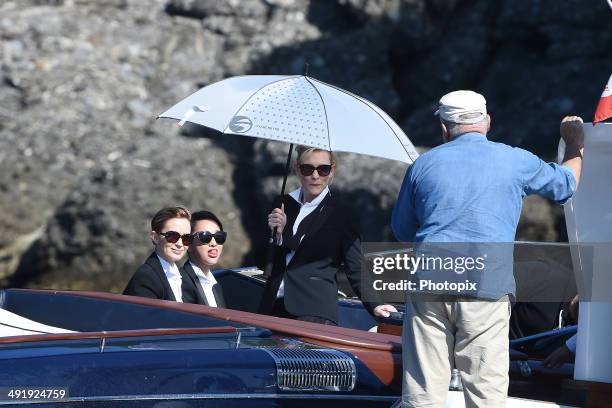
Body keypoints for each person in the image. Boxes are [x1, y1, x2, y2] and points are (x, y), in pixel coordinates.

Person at [391, 90, 584, 407]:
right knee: (486, 392)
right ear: (487, 121)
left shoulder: (422, 165)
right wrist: (575, 144)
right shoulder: (515, 159)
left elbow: (402, 231)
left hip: (431, 282)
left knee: (423, 392)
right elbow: (565, 185)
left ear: (443, 127)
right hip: (485, 285)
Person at [259, 146, 396, 325]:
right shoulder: (281, 205)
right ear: (297, 170)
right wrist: (276, 236)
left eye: (323, 169)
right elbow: (262, 261)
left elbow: (355, 266)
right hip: (271, 308)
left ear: (332, 171)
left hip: (314, 311)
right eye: (308, 169)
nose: (315, 176)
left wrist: (375, 304)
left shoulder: (342, 213)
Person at [123, 206, 198, 303]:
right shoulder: (146, 277)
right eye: (172, 236)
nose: (180, 244)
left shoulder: (184, 277)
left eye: (186, 238)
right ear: (155, 237)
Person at [182, 210, 227, 308]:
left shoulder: (216, 284)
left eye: (219, 237)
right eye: (205, 237)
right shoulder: (179, 282)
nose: (214, 243)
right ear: (188, 244)